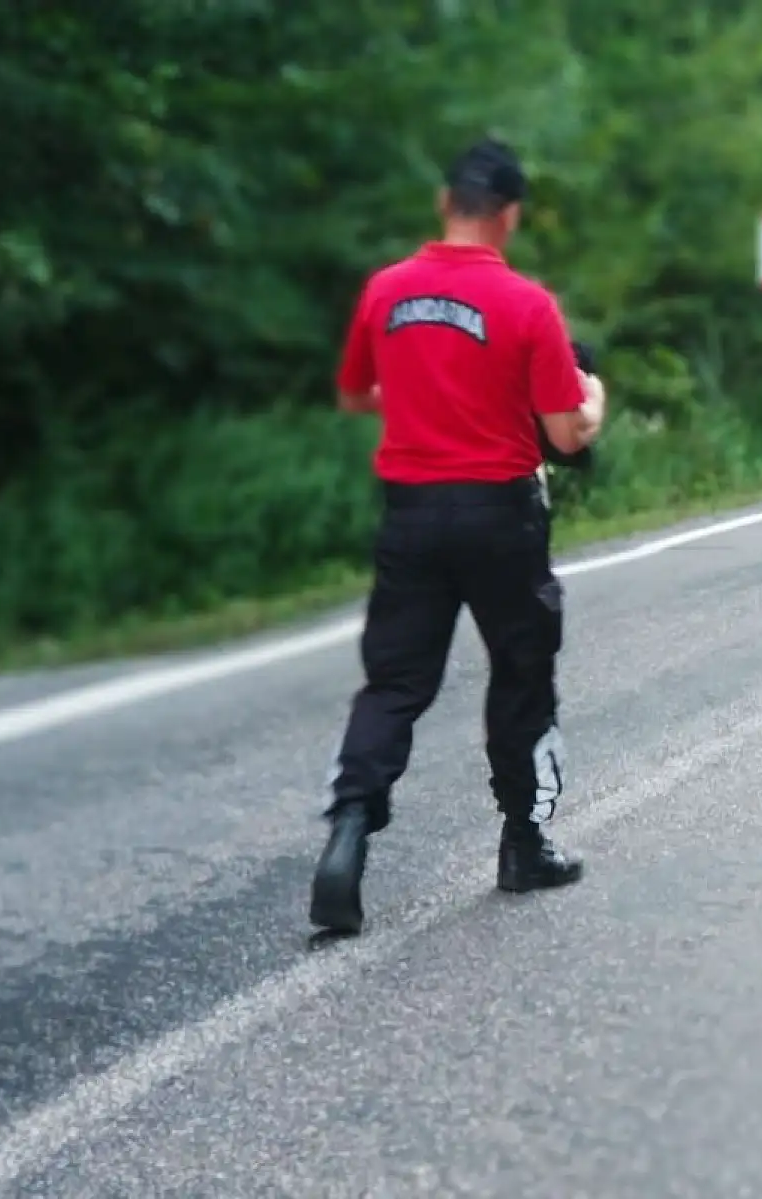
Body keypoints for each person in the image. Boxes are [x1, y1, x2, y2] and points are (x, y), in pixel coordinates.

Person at [309, 135, 605, 935]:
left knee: (394, 683)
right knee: (522, 671)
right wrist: (595, 400)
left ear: (446, 203)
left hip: (410, 512)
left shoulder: (385, 291)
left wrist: (419, 394)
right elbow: (566, 434)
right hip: (500, 514)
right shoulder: (527, 305)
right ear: (509, 216)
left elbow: (356, 393)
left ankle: (348, 829)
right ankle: (524, 841)